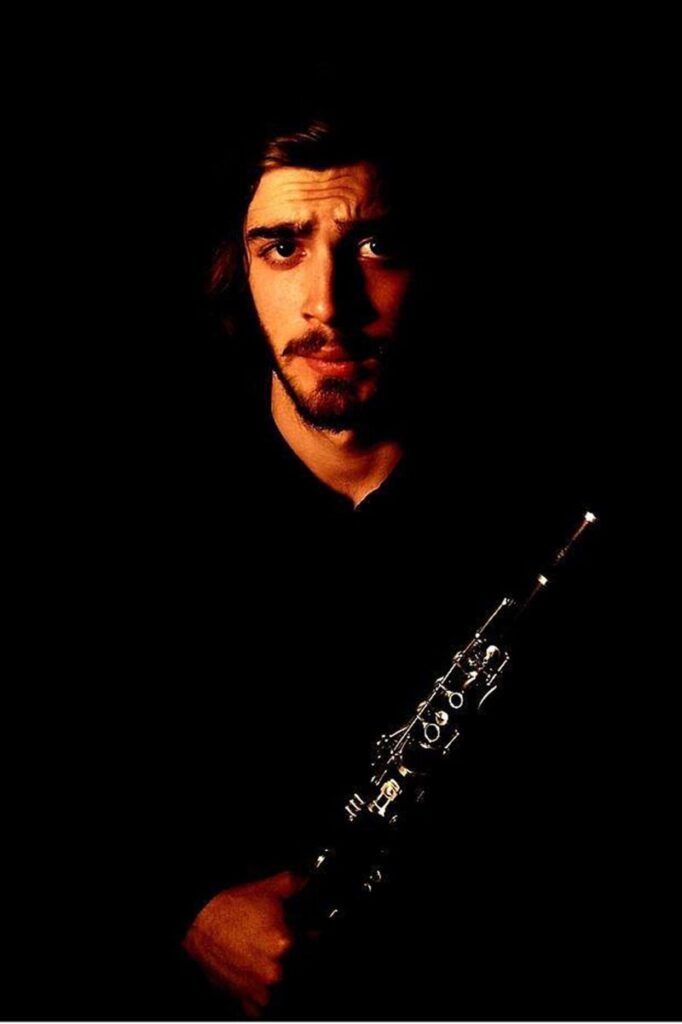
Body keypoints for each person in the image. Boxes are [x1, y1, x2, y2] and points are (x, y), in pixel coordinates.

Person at [139, 101, 608, 1020]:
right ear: (238, 269)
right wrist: (187, 910)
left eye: (374, 246)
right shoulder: (154, 518)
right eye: (283, 247)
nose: (328, 303)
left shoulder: (547, 522)